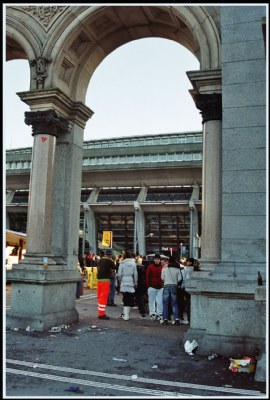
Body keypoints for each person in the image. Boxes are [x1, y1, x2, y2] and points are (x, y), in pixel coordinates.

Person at [160, 255, 183, 325]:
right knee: (174, 303)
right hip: (174, 286)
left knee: (165, 303)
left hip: (166, 285)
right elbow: (180, 279)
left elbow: (162, 278)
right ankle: (176, 319)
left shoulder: (164, 269)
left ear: (169, 261)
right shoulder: (177, 269)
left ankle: (165, 319)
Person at [117, 251, 138, 320]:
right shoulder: (133, 263)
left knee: (125, 298)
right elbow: (135, 274)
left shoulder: (122, 263)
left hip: (124, 281)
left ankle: (126, 316)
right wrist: (135, 282)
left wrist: (120, 280)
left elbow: (119, 274)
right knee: (129, 298)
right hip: (131, 281)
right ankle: (127, 315)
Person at [96, 249, 116, 320]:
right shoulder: (109, 261)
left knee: (100, 296)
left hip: (99, 280)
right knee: (103, 298)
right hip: (105, 280)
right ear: (110, 255)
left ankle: (100, 312)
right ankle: (101, 314)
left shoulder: (100, 260)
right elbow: (114, 267)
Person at [145, 254, 164, 321]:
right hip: (153, 286)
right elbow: (147, 276)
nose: (157, 260)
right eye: (156, 259)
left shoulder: (160, 267)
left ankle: (158, 314)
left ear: (160, 260)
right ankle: (153, 314)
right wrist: (148, 285)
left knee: (159, 301)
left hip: (159, 287)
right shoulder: (152, 267)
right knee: (152, 301)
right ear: (154, 260)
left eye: (158, 259)